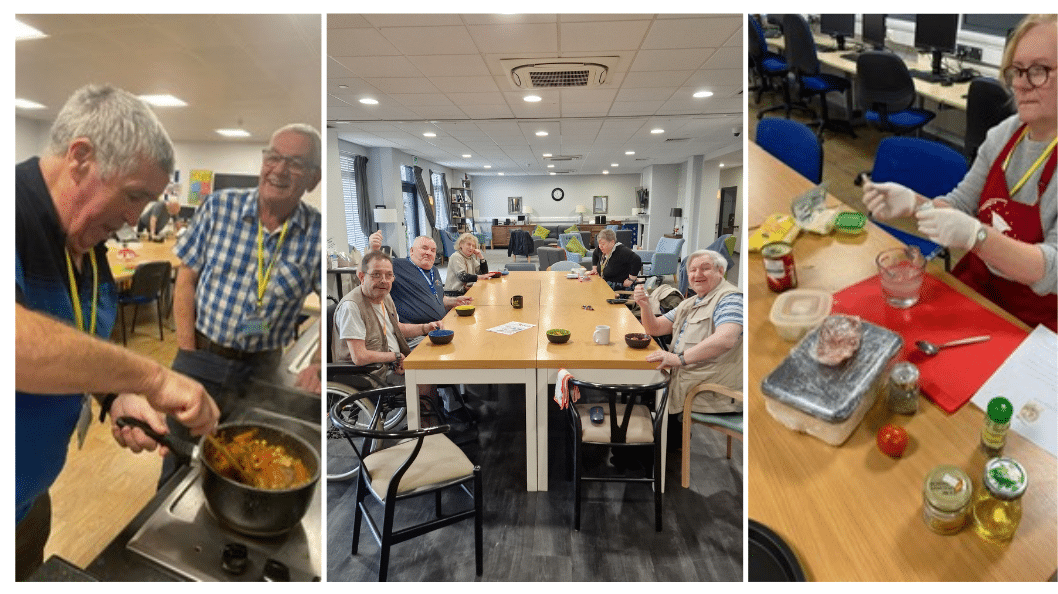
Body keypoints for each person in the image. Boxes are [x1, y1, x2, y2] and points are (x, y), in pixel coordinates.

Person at [15, 84, 219, 580]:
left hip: (26, 500)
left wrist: (113, 393)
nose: (135, 217)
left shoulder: (88, 245)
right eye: (133, 195)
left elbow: (72, 341)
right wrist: (151, 378)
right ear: (80, 157)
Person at [863, 14, 1057, 331]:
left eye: (1039, 70)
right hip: (979, 290)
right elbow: (961, 204)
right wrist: (914, 203)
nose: (1021, 83)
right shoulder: (1005, 133)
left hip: (1034, 322)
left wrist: (977, 236)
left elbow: (1053, 269)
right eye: (1017, 70)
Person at [167, 123, 323, 470]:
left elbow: (335, 304)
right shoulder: (219, 207)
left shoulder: (316, 232)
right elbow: (185, 279)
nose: (279, 170)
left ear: (313, 179)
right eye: (274, 157)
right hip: (202, 354)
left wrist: (316, 361)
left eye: (295, 163)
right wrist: (187, 349)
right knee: (179, 453)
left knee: (247, 459)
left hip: (261, 368)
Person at [633, 249, 742, 422]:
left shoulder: (730, 299)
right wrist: (645, 305)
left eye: (705, 268)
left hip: (708, 391)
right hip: (686, 380)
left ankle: (668, 442)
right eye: (692, 270)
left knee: (639, 396)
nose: (697, 274)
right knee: (637, 392)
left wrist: (678, 359)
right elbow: (654, 328)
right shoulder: (691, 302)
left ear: (720, 271)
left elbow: (726, 338)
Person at [368, 230, 470, 346]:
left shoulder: (434, 270)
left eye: (433, 250)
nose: (428, 253)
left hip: (438, 328)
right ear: (411, 251)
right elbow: (371, 269)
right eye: (424, 248)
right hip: (415, 335)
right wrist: (373, 250)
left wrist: (455, 301)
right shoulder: (398, 266)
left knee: (467, 337)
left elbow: (438, 299)